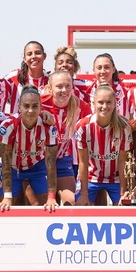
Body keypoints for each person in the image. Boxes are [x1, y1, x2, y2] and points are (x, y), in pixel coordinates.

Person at [0, 86, 59, 211]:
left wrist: (52, 197)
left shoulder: (49, 127)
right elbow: (6, 163)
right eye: (26, 106)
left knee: (45, 205)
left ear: (41, 108)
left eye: (35, 106)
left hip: (36, 167)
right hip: (13, 168)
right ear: (19, 107)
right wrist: (7, 196)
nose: (30, 110)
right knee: (5, 205)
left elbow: (51, 163)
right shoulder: (9, 126)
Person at [74, 85, 132, 205]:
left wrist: (123, 193)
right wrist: (84, 194)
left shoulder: (124, 127)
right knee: (80, 205)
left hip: (115, 179)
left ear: (115, 104)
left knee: (125, 208)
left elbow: (122, 162)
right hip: (91, 177)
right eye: (100, 102)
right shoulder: (83, 126)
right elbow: (83, 162)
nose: (104, 106)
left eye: (108, 102)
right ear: (94, 103)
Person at [42, 69, 93, 205]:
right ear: (50, 88)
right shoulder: (39, 104)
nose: (64, 90)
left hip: (63, 160)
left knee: (72, 202)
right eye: (59, 86)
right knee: (39, 203)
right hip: (39, 162)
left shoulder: (82, 107)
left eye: (67, 86)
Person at [76, 53, 129, 117]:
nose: (103, 71)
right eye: (99, 68)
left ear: (113, 69)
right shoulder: (87, 87)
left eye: (106, 67)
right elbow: (67, 81)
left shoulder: (124, 88)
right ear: (94, 70)